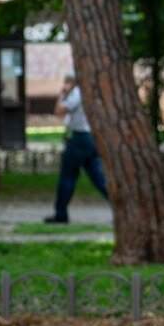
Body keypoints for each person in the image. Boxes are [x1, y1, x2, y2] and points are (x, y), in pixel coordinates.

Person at [45, 76, 109, 224]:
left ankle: (60, 213)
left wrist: (63, 94)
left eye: (67, 81)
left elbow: (59, 110)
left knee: (67, 176)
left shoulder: (77, 93)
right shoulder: (91, 91)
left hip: (80, 138)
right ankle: (122, 208)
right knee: (98, 177)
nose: (65, 84)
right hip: (90, 137)